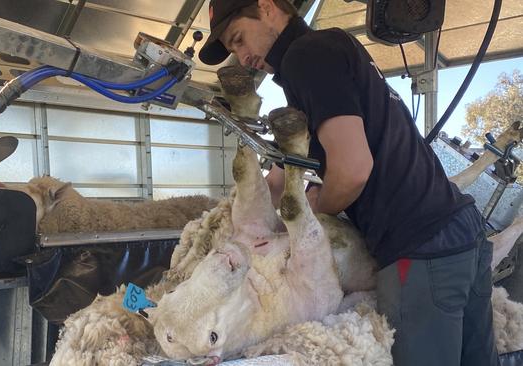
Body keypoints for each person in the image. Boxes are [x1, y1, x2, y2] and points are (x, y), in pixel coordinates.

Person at [198, 1, 499, 365]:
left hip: (420, 247)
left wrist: (312, 214)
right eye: (234, 49)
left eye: (240, 39)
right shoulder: (330, 49)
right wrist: (237, 222)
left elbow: (353, 169)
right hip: (462, 229)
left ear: (266, 8)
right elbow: (282, 169)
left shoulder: (305, 57)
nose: (242, 56)